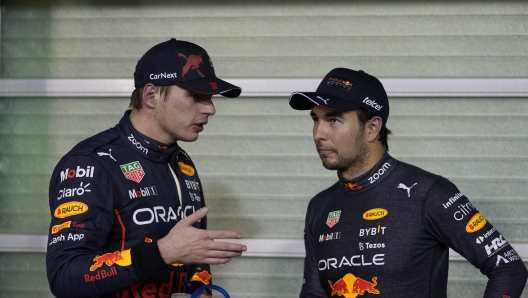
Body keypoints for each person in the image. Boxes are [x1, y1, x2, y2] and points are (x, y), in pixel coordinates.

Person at [289, 68, 528, 297]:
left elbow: (508, 268)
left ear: (372, 128)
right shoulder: (320, 206)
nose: (319, 133)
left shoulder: (429, 193)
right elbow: (314, 293)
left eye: (333, 120)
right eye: (315, 119)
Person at [46, 38, 247, 298]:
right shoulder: (91, 164)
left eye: (209, 97)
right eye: (196, 96)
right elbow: (64, 276)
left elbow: (193, 253)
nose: (211, 108)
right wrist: (162, 252)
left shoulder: (181, 161)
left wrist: (201, 290)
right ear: (151, 95)